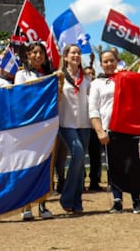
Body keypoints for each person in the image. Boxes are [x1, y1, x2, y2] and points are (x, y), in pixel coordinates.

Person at [90, 48, 140, 214]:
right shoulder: (97, 83)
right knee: (113, 166)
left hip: (128, 128)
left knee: (131, 165)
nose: (109, 64)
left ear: (117, 61)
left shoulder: (126, 78)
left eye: (111, 60)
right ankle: (117, 200)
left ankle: (136, 200)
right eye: (105, 61)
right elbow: (93, 109)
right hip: (109, 129)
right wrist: (100, 131)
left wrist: (127, 76)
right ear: (101, 64)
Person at [11, 41, 54, 221]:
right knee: (27, 165)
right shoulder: (21, 74)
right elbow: (19, 97)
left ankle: (43, 205)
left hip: (46, 126)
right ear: (28, 55)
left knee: (44, 165)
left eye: (41, 53)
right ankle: (26, 206)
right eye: (34, 52)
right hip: (27, 126)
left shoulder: (50, 75)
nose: (38, 56)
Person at [58, 44, 91, 215]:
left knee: (79, 162)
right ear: (65, 57)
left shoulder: (87, 78)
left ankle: (77, 202)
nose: (76, 55)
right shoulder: (59, 76)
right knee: (77, 154)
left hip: (85, 124)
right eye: (73, 53)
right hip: (66, 123)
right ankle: (66, 197)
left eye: (78, 53)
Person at [84, 65, 103, 192]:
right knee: (80, 156)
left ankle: (95, 182)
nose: (90, 76)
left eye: (92, 73)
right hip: (83, 127)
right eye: (87, 74)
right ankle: (80, 181)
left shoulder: (99, 90)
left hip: (95, 128)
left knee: (96, 156)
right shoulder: (80, 91)